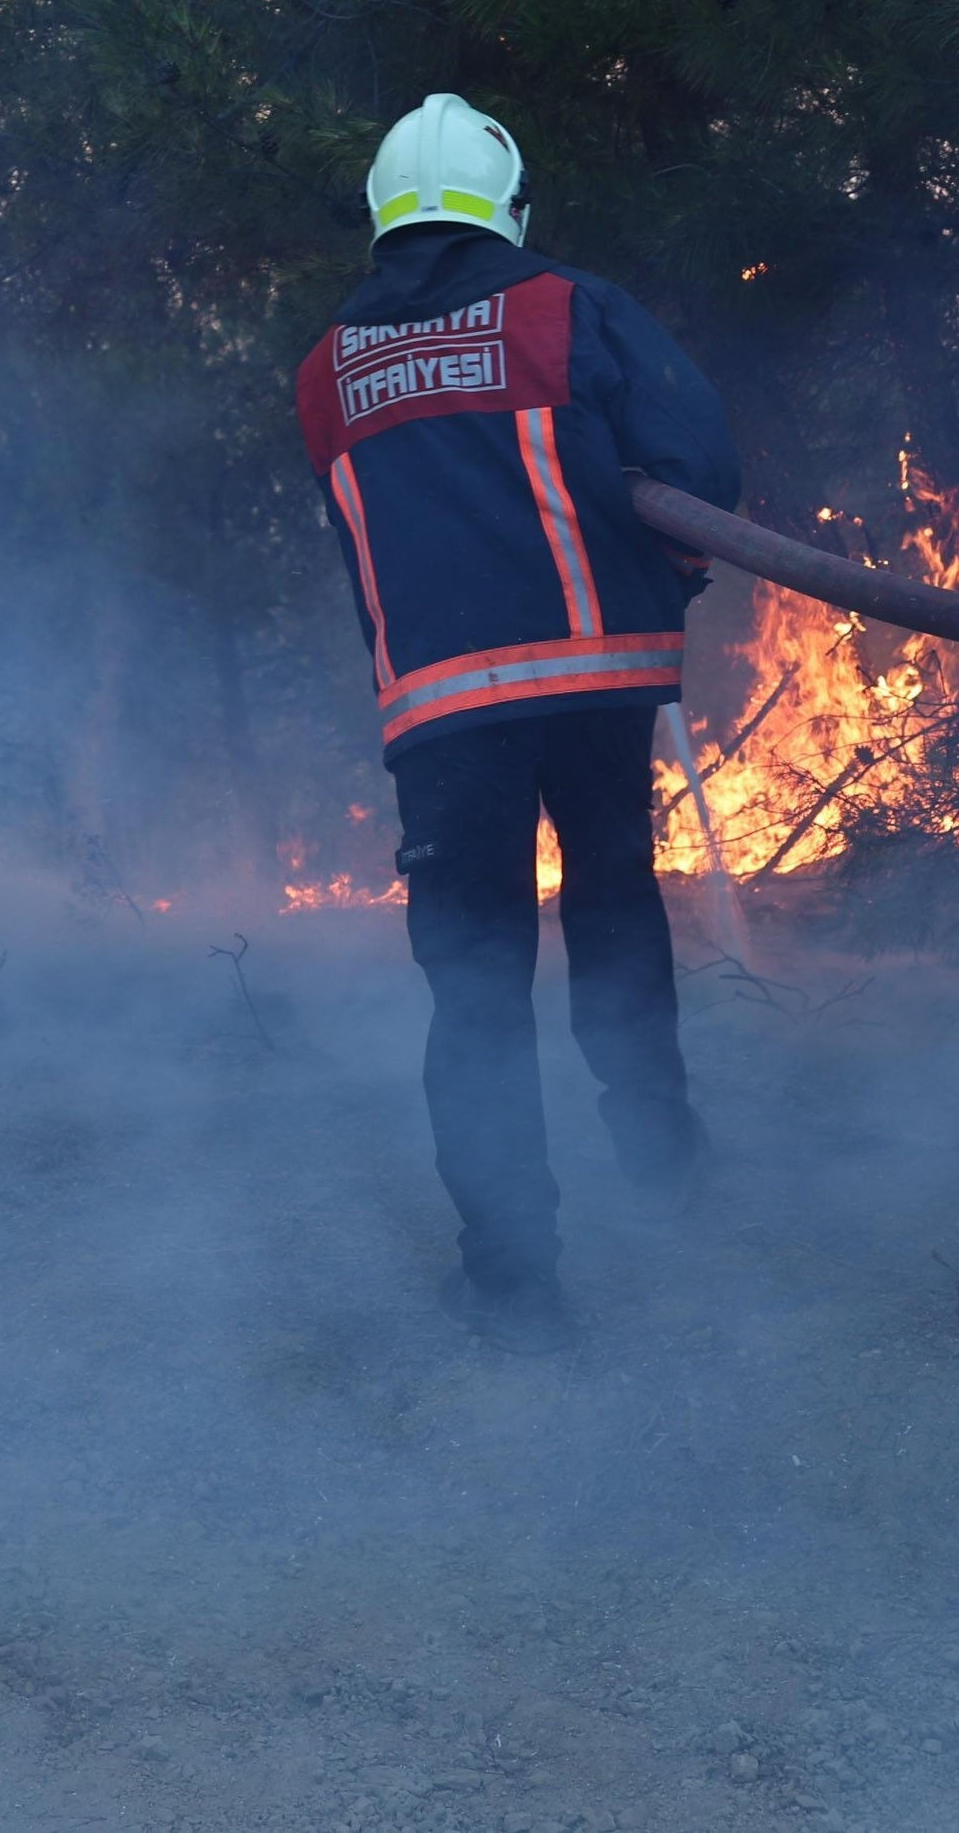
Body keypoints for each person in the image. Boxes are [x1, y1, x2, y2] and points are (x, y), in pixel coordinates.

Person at [295, 92, 740, 1353]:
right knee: (611, 911)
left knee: (476, 992)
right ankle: (663, 1162)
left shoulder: (326, 366)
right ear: (510, 206)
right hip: (596, 683)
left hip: (439, 714)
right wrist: (676, 585)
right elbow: (697, 465)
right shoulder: (571, 307)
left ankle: (514, 1280)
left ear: (383, 215)